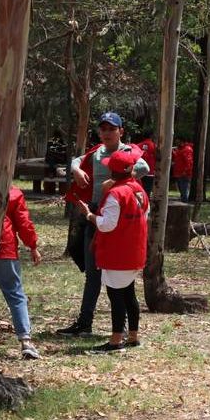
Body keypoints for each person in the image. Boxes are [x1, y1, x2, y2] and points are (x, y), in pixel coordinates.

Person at [57, 112, 149, 337]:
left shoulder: (128, 152)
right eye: (103, 129)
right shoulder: (96, 152)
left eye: (112, 129)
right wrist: (76, 170)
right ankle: (84, 323)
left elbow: (144, 167)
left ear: (121, 131)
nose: (107, 133)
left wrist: (119, 178)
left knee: (119, 274)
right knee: (92, 273)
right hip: (96, 213)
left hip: (119, 218)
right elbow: (76, 160)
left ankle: (123, 327)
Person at [75, 149, 149, 353]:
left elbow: (107, 225)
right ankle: (133, 336)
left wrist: (89, 214)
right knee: (129, 294)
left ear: (111, 170)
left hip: (118, 253)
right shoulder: (138, 190)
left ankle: (116, 340)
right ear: (131, 169)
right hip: (135, 251)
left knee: (116, 296)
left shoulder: (115, 194)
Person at [0, 185, 42, 359]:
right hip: (3, 247)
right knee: (15, 294)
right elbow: (23, 222)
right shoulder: (12, 192)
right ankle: (26, 341)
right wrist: (33, 246)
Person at [136, 132, 157, 196]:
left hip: (139, 172)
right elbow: (158, 157)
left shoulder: (138, 146)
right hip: (150, 172)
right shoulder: (154, 146)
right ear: (151, 136)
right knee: (147, 192)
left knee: (139, 191)